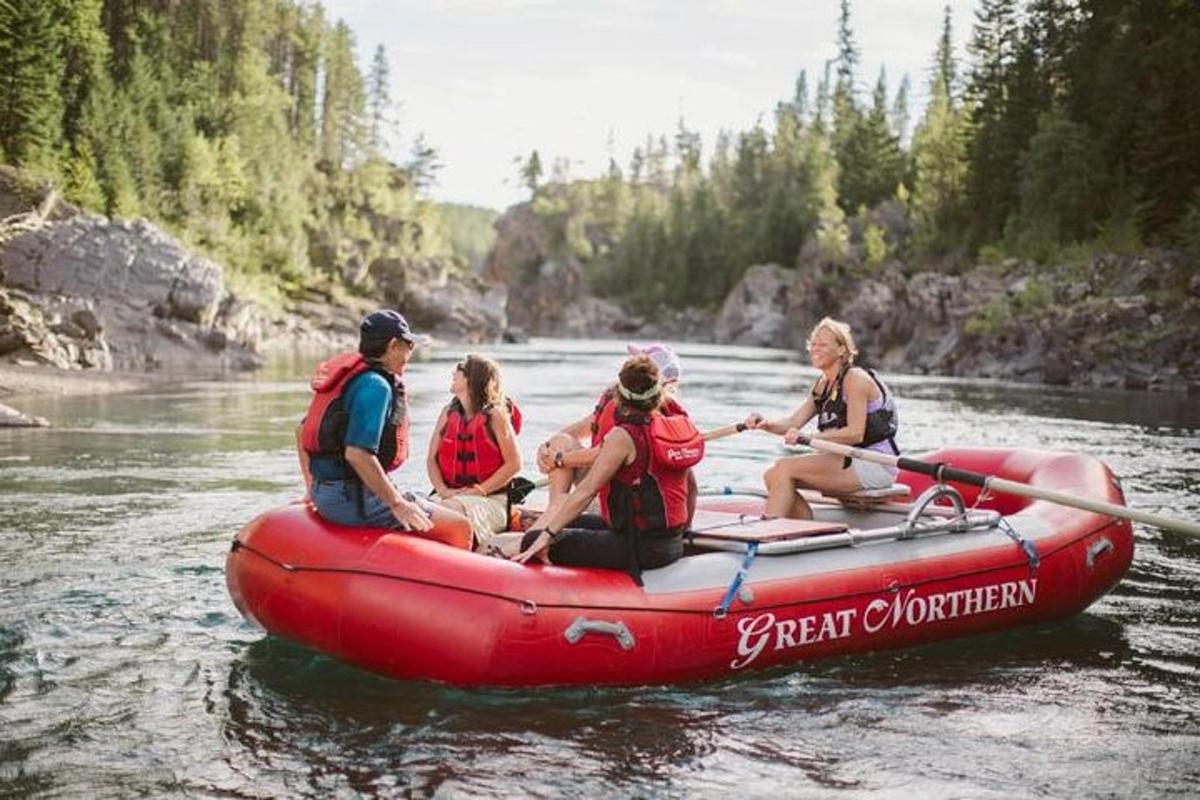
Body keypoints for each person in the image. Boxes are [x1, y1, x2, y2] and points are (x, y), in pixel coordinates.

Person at [512, 355, 705, 580]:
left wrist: (545, 537)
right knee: (559, 523)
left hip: (640, 547)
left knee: (532, 538)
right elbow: (692, 487)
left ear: (620, 397)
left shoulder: (623, 436)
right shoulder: (671, 427)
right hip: (668, 541)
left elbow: (586, 492)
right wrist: (682, 534)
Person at [296, 310, 472, 548]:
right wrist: (397, 504)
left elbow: (303, 429)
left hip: (326, 493)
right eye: (409, 345)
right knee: (460, 526)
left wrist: (312, 490)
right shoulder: (376, 387)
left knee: (437, 505)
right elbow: (357, 454)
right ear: (393, 345)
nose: (411, 353)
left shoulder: (351, 378)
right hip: (353, 500)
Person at [743, 316, 900, 520]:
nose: (815, 349)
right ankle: (802, 527)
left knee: (783, 470)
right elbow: (793, 422)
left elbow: (855, 433)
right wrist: (765, 424)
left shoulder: (855, 379)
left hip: (873, 464)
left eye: (823, 344)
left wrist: (809, 438)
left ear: (842, 349)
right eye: (813, 344)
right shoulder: (823, 384)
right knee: (772, 474)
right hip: (846, 459)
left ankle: (770, 530)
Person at [534, 343, 692, 523]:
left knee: (561, 446)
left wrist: (558, 459)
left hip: (620, 497)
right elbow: (583, 428)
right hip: (648, 503)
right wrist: (546, 447)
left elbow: (602, 454)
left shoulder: (629, 409)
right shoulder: (674, 416)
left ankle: (553, 515)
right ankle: (554, 511)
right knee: (560, 441)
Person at [426, 354, 523, 550]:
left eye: (459, 369)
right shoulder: (447, 413)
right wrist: (444, 491)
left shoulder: (496, 415)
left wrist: (479, 490)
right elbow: (431, 460)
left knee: (446, 511)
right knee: (418, 508)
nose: (453, 372)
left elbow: (514, 464)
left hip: (490, 500)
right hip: (449, 496)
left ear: (472, 378)